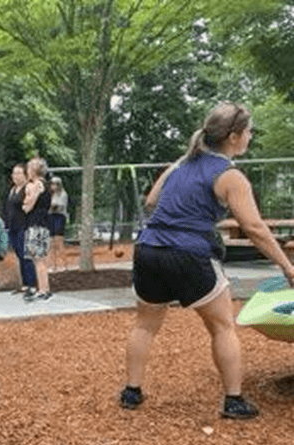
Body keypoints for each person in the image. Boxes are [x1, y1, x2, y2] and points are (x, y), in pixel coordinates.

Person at [120, 101, 294, 419]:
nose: (250, 136)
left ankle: (131, 392)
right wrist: (287, 266)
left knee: (144, 326)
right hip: (188, 253)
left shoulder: (181, 164)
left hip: (149, 250)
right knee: (222, 326)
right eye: (249, 131)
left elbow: (151, 201)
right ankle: (234, 401)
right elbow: (254, 228)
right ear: (233, 136)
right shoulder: (230, 176)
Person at [3, 163, 37, 294]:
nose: (15, 176)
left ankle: (31, 283)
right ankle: (24, 283)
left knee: (25, 255)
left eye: (18, 173)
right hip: (12, 227)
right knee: (18, 254)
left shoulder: (27, 189)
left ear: (25, 175)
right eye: (14, 173)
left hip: (24, 226)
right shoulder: (12, 190)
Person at [22, 157, 52, 301]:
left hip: (37, 225)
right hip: (42, 224)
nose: (27, 171)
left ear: (34, 170)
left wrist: (27, 201)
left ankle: (43, 290)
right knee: (40, 259)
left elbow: (28, 206)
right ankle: (44, 288)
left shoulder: (37, 185)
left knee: (38, 258)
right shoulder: (42, 184)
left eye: (29, 168)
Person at [48, 176, 69, 271]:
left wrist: (52, 207)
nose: (54, 186)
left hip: (59, 217)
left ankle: (63, 265)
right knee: (51, 242)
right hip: (51, 217)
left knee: (59, 241)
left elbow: (59, 208)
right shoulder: (49, 195)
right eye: (53, 184)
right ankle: (52, 265)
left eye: (57, 184)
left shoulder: (63, 194)